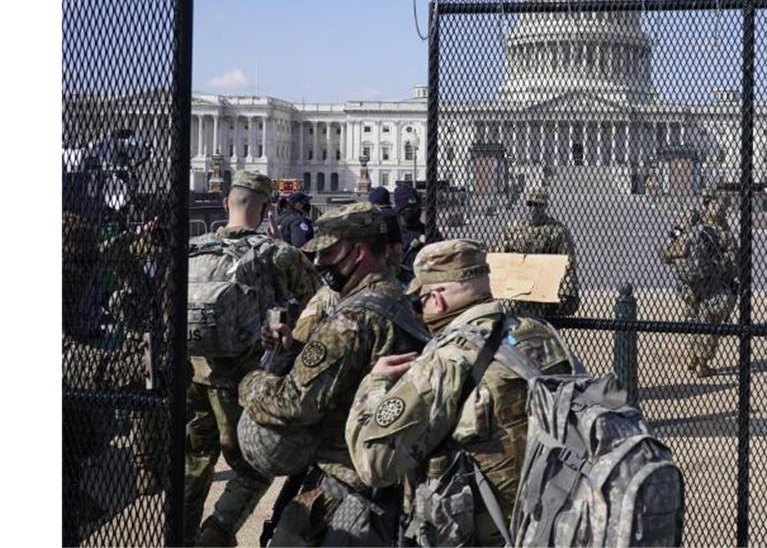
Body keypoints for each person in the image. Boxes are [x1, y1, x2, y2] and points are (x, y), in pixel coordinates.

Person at [345, 239, 577, 546]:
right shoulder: (541, 335)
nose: (421, 310)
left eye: (421, 300)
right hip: (548, 527)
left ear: (437, 299)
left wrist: (374, 384)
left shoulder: (446, 360)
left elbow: (373, 464)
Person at [238, 202, 428, 546]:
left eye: (328, 253)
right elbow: (345, 377)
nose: (319, 263)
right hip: (384, 481)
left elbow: (295, 402)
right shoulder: (399, 298)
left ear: (357, 252)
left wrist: (250, 382)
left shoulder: (352, 319)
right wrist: (294, 350)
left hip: (346, 486)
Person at [185, 171, 321, 546]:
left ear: (226, 203)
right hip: (242, 380)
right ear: (264, 210)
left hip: (193, 372)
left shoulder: (194, 247)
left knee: (193, 463)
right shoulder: (277, 252)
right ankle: (217, 532)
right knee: (253, 467)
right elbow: (317, 301)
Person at [661, 210, 737, 377]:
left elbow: (665, 256)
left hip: (689, 289)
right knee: (709, 324)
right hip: (710, 286)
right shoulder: (710, 234)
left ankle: (694, 356)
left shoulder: (680, 235)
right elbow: (730, 262)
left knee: (695, 321)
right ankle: (703, 364)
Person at [490, 187, 580, 316]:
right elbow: (497, 257)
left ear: (545, 206)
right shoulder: (513, 228)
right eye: (530, 204)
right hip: (516, 290)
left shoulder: (557, 231)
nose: (534, 208)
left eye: (538, 205)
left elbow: (567, 262)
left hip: (543, 291)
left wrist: (565, 293)